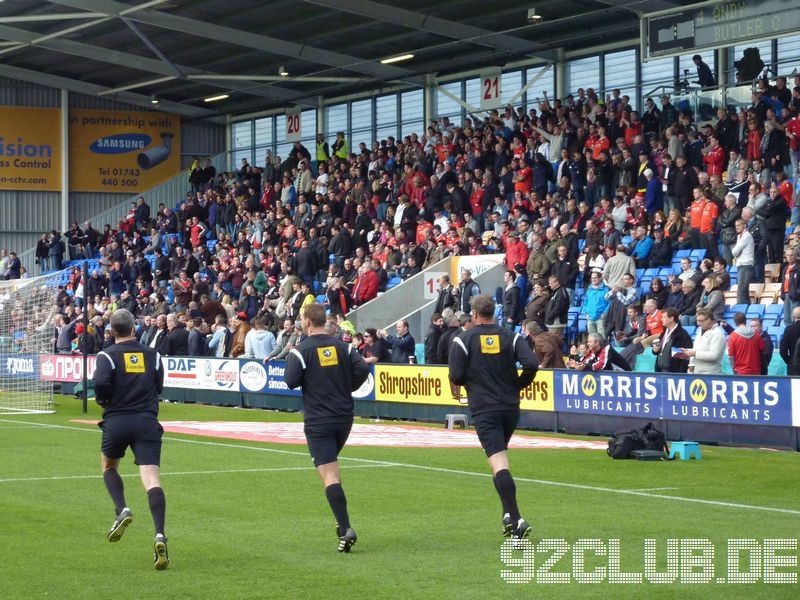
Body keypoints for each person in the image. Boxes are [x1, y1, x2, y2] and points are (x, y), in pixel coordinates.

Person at [448, 295, 538, 541]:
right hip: (510, 407)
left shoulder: (463, 339)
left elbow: (456, 376)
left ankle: (517, 518)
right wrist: (518, 385)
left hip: (485, 408)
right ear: (494, 312)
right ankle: (508, 516)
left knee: (499, 462)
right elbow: (531, 363)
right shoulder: (512, 337)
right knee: (499, 458)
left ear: (475, 314)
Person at [284, 304, 370, 552]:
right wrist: (346, 387)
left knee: (329, 475)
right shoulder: (343, 346)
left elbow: (290, 381)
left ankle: (345, 529)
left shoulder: (302, 350)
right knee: (332, 468)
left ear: (308, 322)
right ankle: (340, 522)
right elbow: (362, 367)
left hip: (319, 420)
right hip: (344, 418)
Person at [91, 309, 169, 570]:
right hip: (146, 420)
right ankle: (159, 534)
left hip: (117, 420)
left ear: (111, 331)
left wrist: (106, 400)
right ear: (134, 328)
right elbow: (160, 385)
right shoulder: (153, 354)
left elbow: (100, 383)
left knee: (109, 466)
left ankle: (122, 508)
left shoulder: (106, 355)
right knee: (152, 480)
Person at [683, 307, 726, 374]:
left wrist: (694, 353)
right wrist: (687, 352)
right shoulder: (700, 331)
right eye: (697, 321)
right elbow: (698, 350)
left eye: (701, 321)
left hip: (710, 375)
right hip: (696, 373)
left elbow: (714, 355)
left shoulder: (718, 333)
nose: (698, 324)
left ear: (709, 319)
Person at [653, 307, 693, 373]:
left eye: (664, 317)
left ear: (671, 318)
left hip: (674, 373)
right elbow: (659, 351)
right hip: (660, 370)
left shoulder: (682, 334)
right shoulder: (663, 333)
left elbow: (685, 356)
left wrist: (680, 371)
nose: (661, 319)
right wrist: (655, 350)